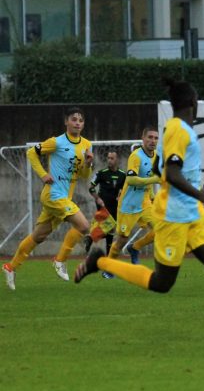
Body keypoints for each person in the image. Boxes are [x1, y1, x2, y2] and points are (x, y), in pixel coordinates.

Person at [74, 79, 204, 350]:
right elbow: (171, 172)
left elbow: (160, 168)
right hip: (173, 217)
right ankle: (100, 262)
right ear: (193, 103)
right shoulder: (180, 131)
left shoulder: (175, 130)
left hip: (193, 215)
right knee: (162, 283)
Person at [3, 107, 94, 290]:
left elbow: (84, 175)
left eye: (80, 120)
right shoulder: (56, 142)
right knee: (84, 226)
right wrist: (43, 174)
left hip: (63, 197)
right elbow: (31, 153)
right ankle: (60, 260)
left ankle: (10, 267)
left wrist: (88, 163)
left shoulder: (86, 144)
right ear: (66, 122)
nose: (77, 123)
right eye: (74, 119)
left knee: (39, 235)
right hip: (53, 195)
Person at [105, 128, 159, 275]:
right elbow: (131, 179)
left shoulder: (156, 157)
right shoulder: (136, 156)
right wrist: (155, 180)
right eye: (150, 137)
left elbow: (150, 176)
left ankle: (135, 247)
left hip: (145, 202)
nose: (153, 141)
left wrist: (152, 195)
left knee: (159, 230)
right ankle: (109, 267)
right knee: (122, 239)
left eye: (155, 138)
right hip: (128, 204)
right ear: (143, 138)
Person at [86, 151, 126, 254]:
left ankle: (91, 238)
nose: (109, 160)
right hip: (103, 204)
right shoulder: (101, 173)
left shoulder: (122, 175)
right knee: (110, 226)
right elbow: (91, 188)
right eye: (108, 158)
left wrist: (121, 196)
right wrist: (97, 199)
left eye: (112, 158)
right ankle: (106, 252)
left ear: (117, 160)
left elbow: (125, 189)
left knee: (110, 228)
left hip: (115, 205)